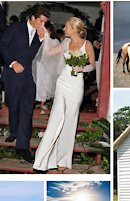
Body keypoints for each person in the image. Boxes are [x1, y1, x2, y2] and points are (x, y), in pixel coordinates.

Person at [33, 17, 95, 172]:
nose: (64, 29)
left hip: (76, 85)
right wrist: (46, 37)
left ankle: (62, 160)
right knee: (56, 118)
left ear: (74, 28)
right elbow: (48, 53)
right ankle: (41, 161)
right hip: (62, 82)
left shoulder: (87, 45)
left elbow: (92, 66)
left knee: (70, 121)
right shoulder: (65, 43)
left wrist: (83, 69)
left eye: (67, 26)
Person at [0, 5, 50, 163]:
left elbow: (31, 55)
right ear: (33, 18)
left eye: (45, 22)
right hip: (13, 75)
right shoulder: (15, 28)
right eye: (41, 21)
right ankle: (14, 131)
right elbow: (2, 46)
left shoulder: (39, 34)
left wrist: (41, 39)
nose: (43, 25)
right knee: (14, 106)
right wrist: (12, 62)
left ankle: (22, 146)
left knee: (27, 110)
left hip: (29, 78)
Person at [34, 21, 60, 115]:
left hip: (48, 66)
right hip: (39, 64)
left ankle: (42, 102)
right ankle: (36, 100)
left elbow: (55, 55)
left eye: (47, 31)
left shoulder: (55, 41)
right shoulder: (40, 39)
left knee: (46, 83)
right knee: (38, 82)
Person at [92, 1, 106, 89]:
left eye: (104, 5)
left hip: (108, 52)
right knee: (99, 77)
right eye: (101, 6)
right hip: (99, 52)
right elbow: (94, 33)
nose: (102, 8)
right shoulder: (98, 20)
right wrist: (94, 41)